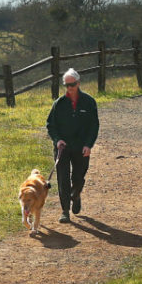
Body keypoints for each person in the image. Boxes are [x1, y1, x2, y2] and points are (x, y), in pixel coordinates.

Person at [45, 67, 99, 223]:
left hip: (81, 147)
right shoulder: (59, 104)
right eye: (67, 85)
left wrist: (89, 145)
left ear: (79, 83)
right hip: (63, 148)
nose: (70, 88)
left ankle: (76, 195)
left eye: (73, 84)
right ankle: (65, 211)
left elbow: (94, 126)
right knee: (62, 179)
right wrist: (57, 140)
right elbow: (50, 125)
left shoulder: (89, 102)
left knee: (78, 177)